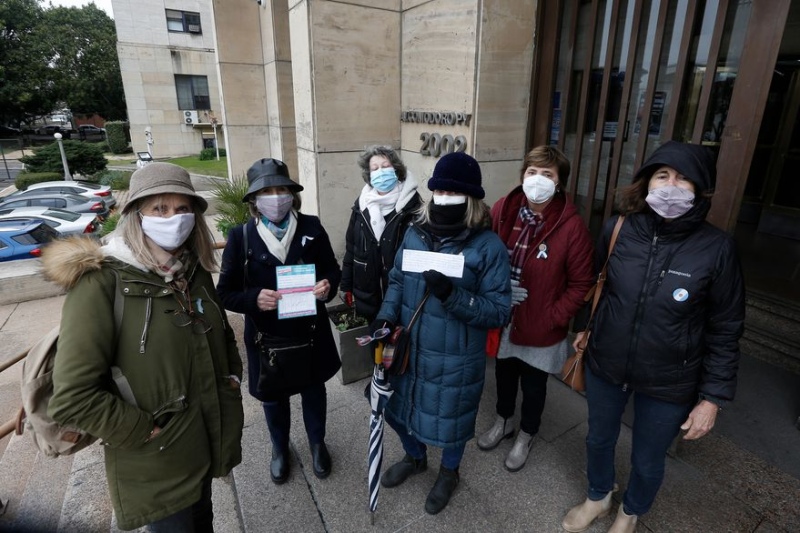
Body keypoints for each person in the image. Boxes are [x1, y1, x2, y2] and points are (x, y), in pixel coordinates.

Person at [43, 162, 244, 532]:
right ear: (137, 215)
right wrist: (143, 431)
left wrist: (232, 376)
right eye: (160, 209)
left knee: (204, 521)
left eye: (183, 209)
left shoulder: (193, 270)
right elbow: (72, 394)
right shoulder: (101, 283)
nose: (174, 218)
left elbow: (221, 334)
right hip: (157, 458)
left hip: (205, 439)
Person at [562, 141, 745, 533]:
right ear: (646, 183)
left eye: (683, 179)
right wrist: (586, 329)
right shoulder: (619, 228)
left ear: (700, 190)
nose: (671, 185)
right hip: (607, 361)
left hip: (670, 379)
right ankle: (598, 496)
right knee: (598, 438)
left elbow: (726, 327)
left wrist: (712, 398)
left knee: (648, 459)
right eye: (663, 175)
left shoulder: (718, 248)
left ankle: (630, 511)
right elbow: (598, 286)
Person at [370, 152, 511, 515]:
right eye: (439, 189)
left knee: (451, 421)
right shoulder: (415, 233)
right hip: (410, 348)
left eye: (453, 191)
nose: (444, 197)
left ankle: (449, 472)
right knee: (396, 411)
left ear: (471, 199)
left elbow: (498, 310)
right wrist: (385, 318)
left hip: (456, 357)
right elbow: (399, 280)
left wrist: (452, 296)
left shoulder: (488, 247)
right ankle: (415, 458)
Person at [216, 158, 342, 485]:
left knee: (314, 391)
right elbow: (224, 293)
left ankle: (317, 443)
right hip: (267, 338)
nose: (276, 196)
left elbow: (332, 270)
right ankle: (279, 448)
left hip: (310, 333)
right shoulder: (241, 237)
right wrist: (252, 299)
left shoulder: (312, 227)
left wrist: (328, 286)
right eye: (267, 191)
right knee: (274, 397)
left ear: (292, 194)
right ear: (254, 200)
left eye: (281, 189)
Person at [477, 145, 594, 471]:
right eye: (532, 172)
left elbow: (581, 284)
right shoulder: (504, 209)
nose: (537, 180)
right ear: (522, 175)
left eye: (547, 174)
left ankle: (526, 434)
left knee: (533, 386)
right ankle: (503, 421)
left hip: (542, 326)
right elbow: (484, 256)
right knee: (503, 375)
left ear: (559, 183)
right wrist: (495, 290)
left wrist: (553, 316)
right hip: (506, 317)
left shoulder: (571, 227)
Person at [341, 145, 422, 320]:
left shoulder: (414, 208)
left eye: (385, 166)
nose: (380, 172)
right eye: (375, 168)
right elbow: (351, 249)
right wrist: (345, 285)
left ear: (396, 169)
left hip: (403, 299)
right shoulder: (361, 208)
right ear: (369, 175)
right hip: (369, 297)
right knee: (374, 344)